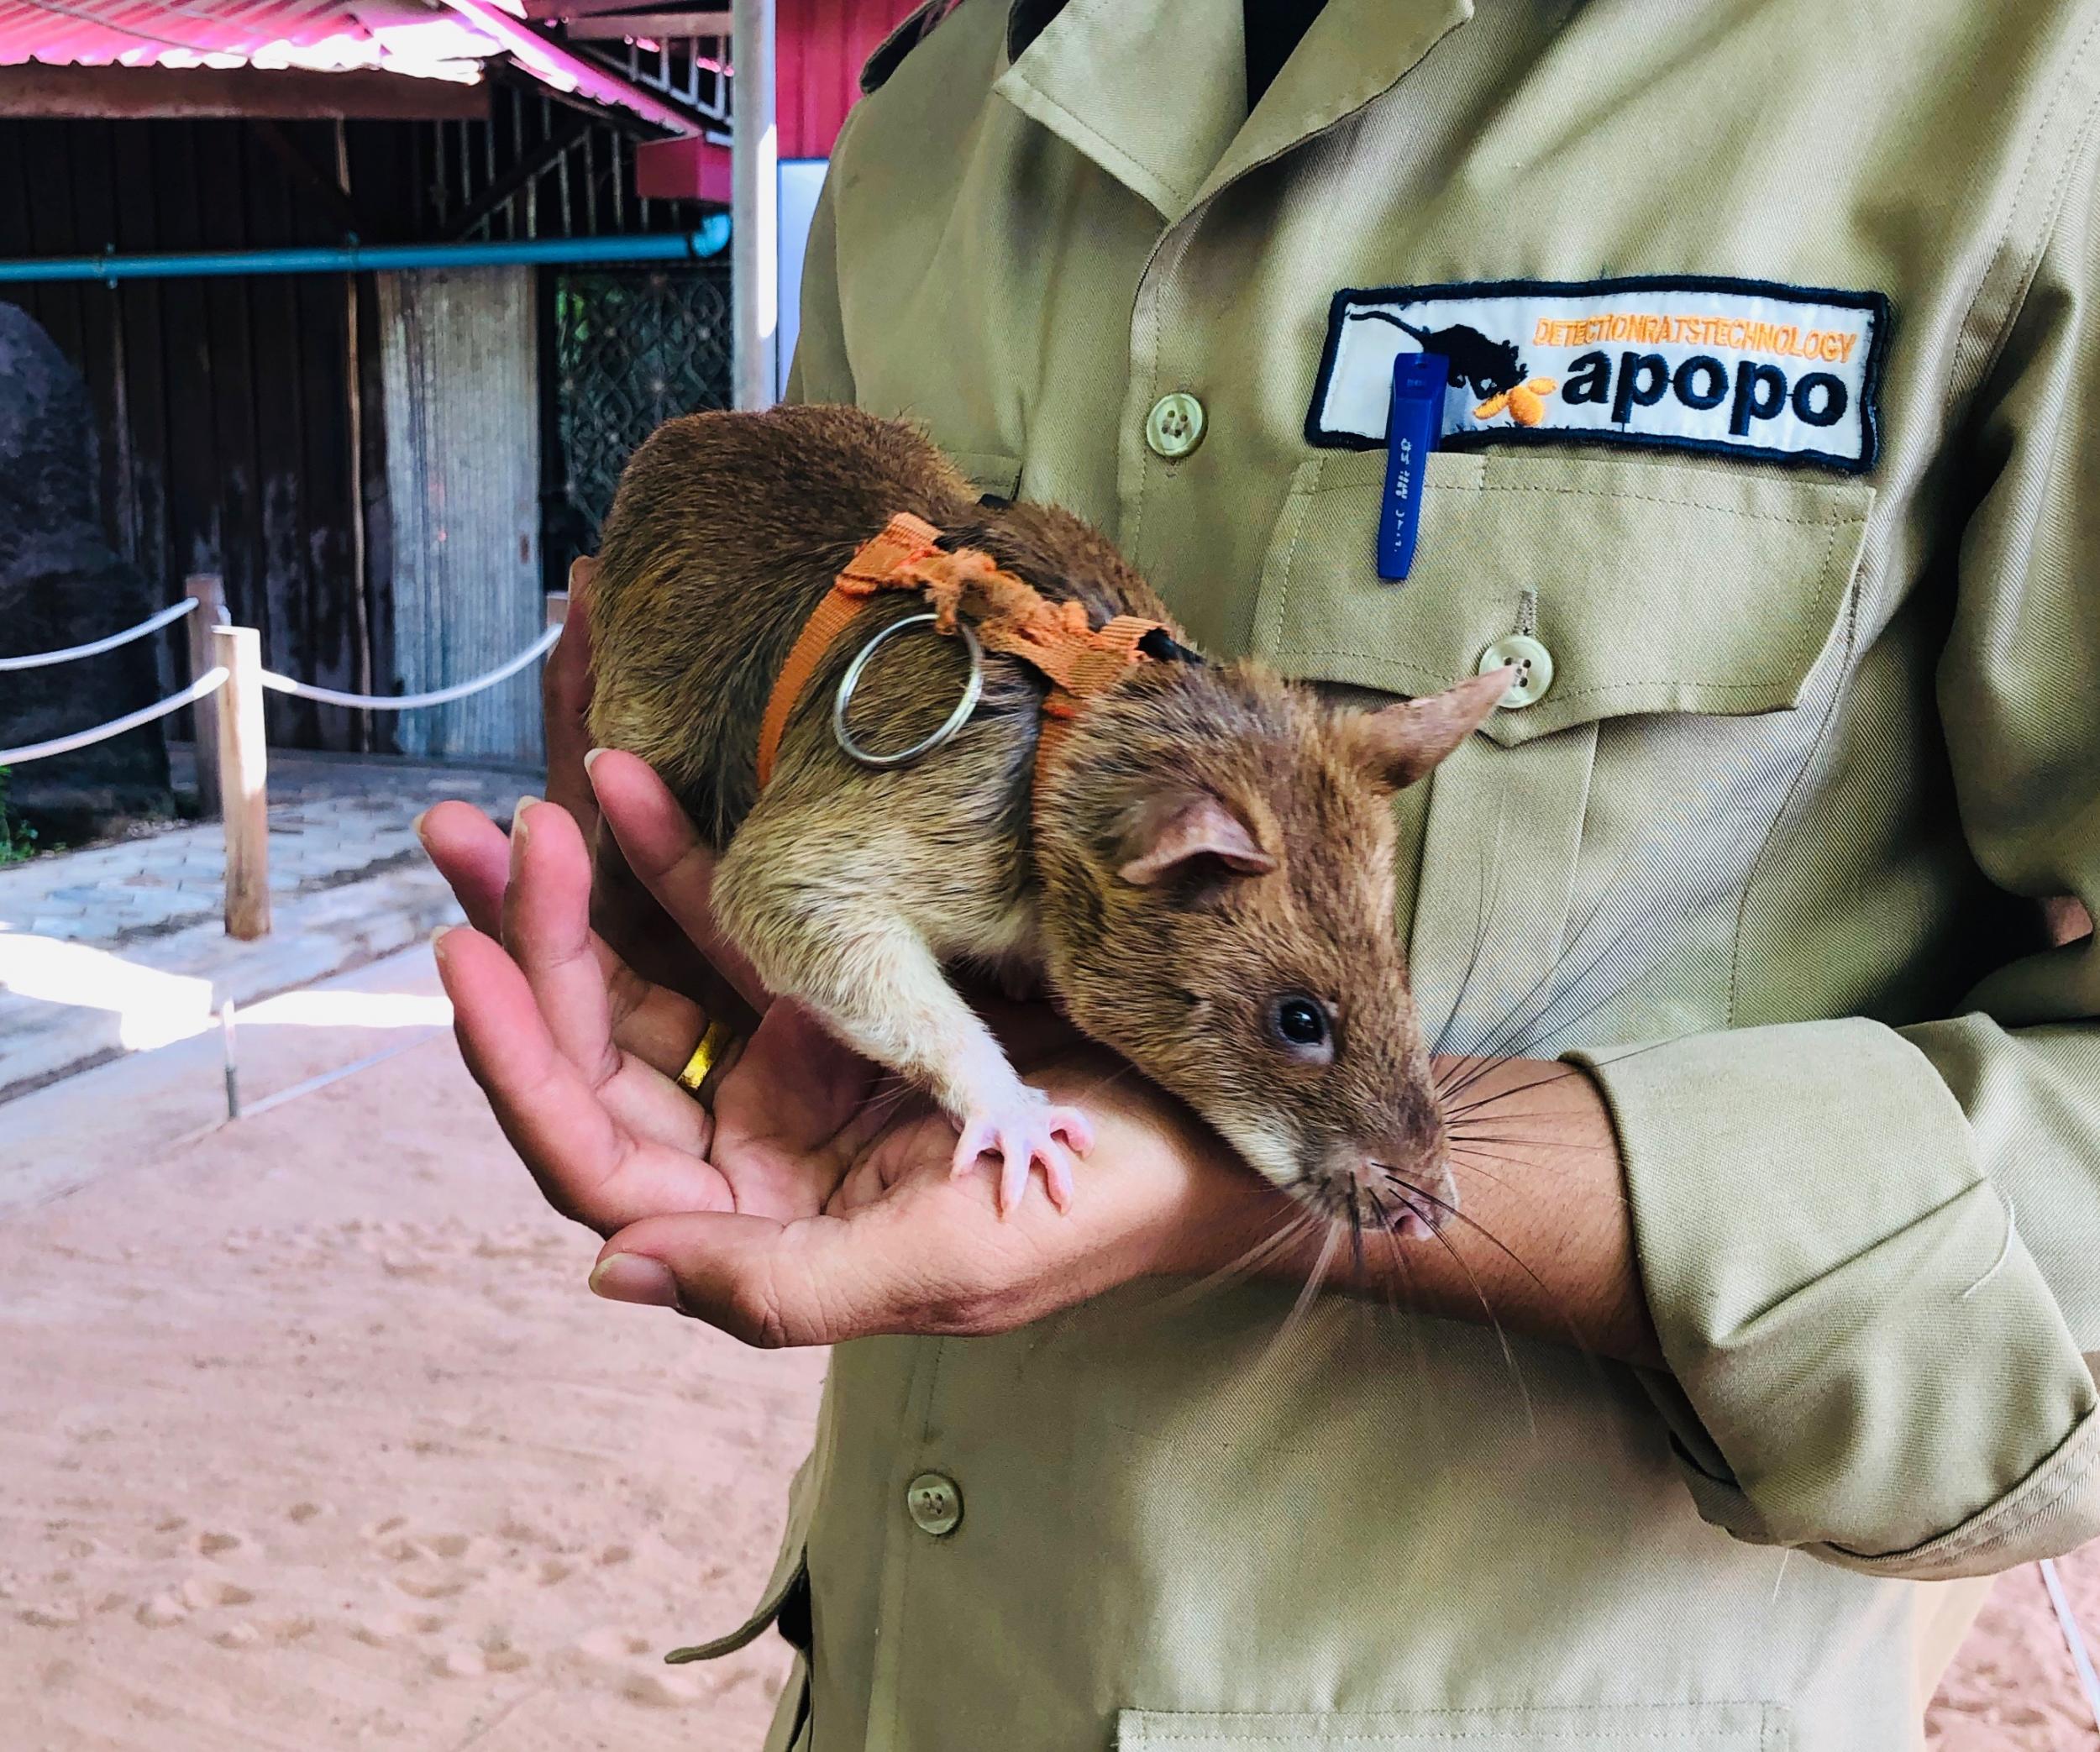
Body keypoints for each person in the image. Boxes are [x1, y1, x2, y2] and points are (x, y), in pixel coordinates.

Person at [418, 1, 2100, 1745]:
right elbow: (785, 829)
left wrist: (1362, 1196)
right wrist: (687, 965)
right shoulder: (932, 112)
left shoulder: (2014, 74)